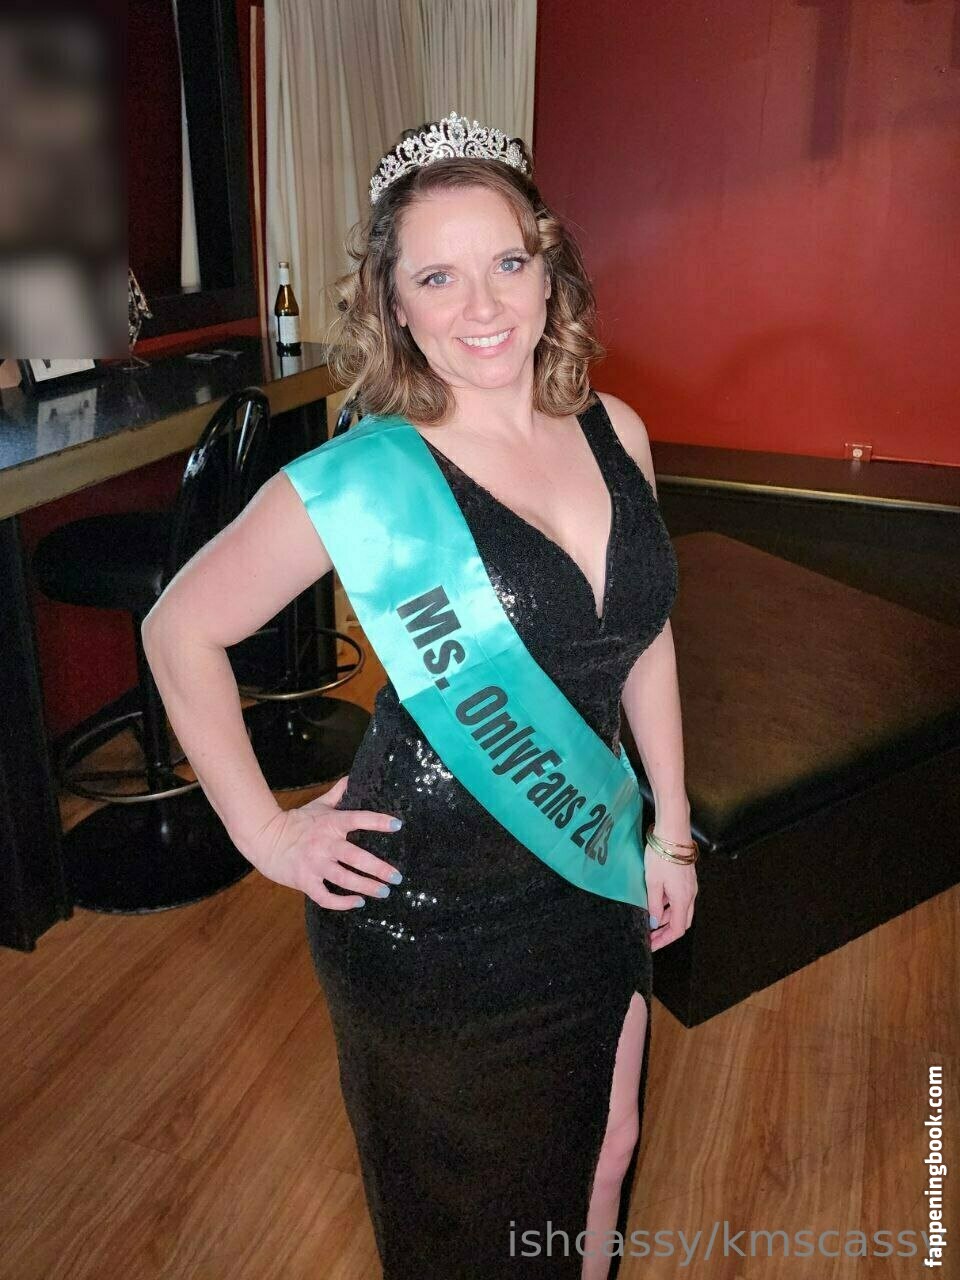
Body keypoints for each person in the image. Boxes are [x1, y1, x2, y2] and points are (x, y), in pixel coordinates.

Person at [142, 111, 697, 1280]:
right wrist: (265, 832)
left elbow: (641, 639)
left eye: (506, 262)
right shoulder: (364, 478)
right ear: (394, 305)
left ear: (547, 272)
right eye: (437, 277)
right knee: (470, 1218)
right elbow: (178, 628)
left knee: (608, 1147)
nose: (482, 306)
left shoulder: (618, 431)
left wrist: (674, 830)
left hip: (593, 870)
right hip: (428, 911)